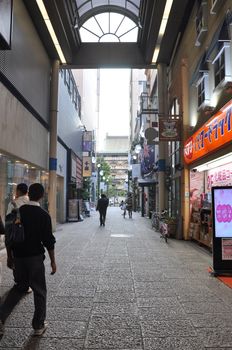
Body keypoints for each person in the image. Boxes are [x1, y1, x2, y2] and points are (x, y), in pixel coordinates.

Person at [0, 183, 56, 336]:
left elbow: (9, 237)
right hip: (35, 258)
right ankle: (38, 325)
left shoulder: (16, 212)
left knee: (19, 287)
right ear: (41, 196)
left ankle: (0, 317)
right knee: (39, 291)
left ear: (28, 194)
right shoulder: (43, 215)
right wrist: (53, 261)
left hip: (19, 256)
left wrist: (10, 257)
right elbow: (48, 240)